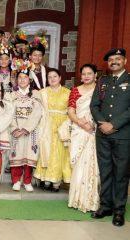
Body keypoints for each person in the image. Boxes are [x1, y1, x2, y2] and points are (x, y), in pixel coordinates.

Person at [90, 48, 130, 227]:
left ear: (125, 61)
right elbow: (94, 106)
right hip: (103, 135)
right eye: (111, 59)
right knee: (105, 171)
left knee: (121, 173)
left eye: (118, 58)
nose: (114, 61)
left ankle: (119, 210)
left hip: (123, 135)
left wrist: (114, 125)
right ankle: (105, 206)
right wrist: (102, 123)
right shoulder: (102, 81)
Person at [68, 63, 100, 213]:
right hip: (80, 130)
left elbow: (103, 110)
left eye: (89, 73)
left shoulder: (101, 91)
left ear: (95, 75)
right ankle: (77, 199)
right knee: (79, 164)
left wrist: (93, 125)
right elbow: (71, 111)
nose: (86, 76)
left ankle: (92, 200)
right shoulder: (75, 91)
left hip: (95, 131)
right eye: (84, 74)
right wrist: (81, 123)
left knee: (95, 165)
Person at [34, 69, 71, 192]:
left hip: (62, 125)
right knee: (46, 151)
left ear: (60, 78)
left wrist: (67, 125)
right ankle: (45, 179)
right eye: (49, 77)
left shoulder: (68, 92)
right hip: (46, 124)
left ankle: (56, 182)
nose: (52, 79)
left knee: (59, 154)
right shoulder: (42, 92)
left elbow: (71, 111)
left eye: (55, 76)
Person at [9, 60, 42, 192]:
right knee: (16, 153)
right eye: (20, 78)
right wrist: (15, 128)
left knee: (30, 154)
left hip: (31, 129)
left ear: (30, 79)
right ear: (16, 80)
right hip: (16, 129)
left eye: (25, 77)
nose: (22, 80)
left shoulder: (36, 94)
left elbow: (37, 112)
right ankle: (16, 180)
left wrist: (27, 128)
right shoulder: (11, 95)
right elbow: (9, 113)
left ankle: (27, 180)